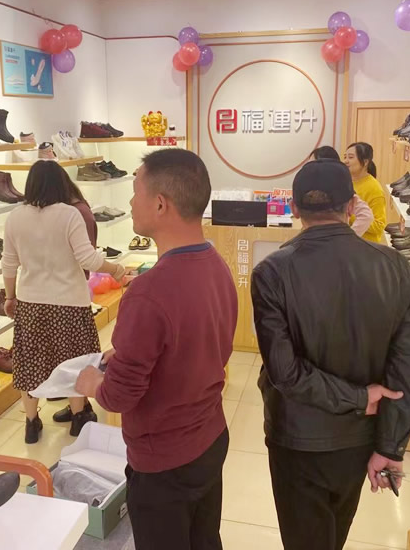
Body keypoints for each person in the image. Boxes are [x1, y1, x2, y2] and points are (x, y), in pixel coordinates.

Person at [251, 159, 410, 550]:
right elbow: (407, 366)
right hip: (359, 436)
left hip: (296, 438)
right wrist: (391, 445)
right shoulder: (394, 266)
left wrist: (359, 398)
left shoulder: (272, 272)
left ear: (294, 208)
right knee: (334, 536)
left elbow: (284, 372)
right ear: (351, 205)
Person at [75, 148, 238, 550]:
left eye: (136, 191)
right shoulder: (217, 265)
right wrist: (131, 357)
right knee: (205, 540)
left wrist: (93, 383)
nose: (131, 202)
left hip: (165, 459)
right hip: (211, 436)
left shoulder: (148, 291)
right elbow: (200, 345)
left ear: (161, 204)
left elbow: (119, 396)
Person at [1, 160, 125, 443]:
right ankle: (78, 417)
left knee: (31, 362)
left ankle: (31, 422)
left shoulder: (15, 217)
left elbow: (9, 263)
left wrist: (9, 297)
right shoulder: (69, 214)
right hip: (70, 302)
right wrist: (116, 269)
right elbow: (88, 259)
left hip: (31, 303)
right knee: (75, 360)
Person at [311, 146, 373, 237]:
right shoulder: (312, 186)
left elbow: (366, 215)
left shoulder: (340, 188)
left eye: (313, 164)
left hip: (334, 242)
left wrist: (349, 237)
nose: (309, 169)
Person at [343, 142, 387, 244]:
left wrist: (351, 216)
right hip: (347, 242)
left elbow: (379, 226)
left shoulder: (374, 188)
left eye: (350, 157)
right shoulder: (344, 181)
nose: (345, 161)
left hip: (365, 245)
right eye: (345, 157)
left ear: (365, 162)